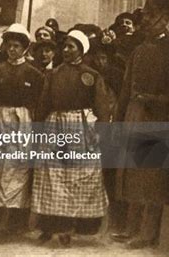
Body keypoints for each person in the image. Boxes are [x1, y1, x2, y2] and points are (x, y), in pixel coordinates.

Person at [32, 29, 109, 247]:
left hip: (81, 128)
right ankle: (54, 226)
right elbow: (43, 103)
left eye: (71, 47)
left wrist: (101, 133)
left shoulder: (92, 76)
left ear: (81, 50)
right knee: (53, 176)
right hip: (55, 127)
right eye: (64, 46)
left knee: (79, 175)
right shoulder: (53, 74)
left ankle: (78, 226)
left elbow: (101, 107)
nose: (66, 50)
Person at [114, 0, 169, 249]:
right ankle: (131, 227)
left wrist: (153, 100)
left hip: (156, 118)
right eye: (146, 15)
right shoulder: (138, 50)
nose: (146, 21)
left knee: (150, 177)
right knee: (131, 173)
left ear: (164, 18)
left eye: (152, 16)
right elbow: (126, 88)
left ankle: (147, 233)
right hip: (133, 115)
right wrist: (119, 119)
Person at [0, 23, 44, 241]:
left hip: (22, 122)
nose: (12, 50)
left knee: (18, 169)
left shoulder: (34, 74)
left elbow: (39, 102)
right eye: (9, 45)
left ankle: (16, 224)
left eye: (16, 46)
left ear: (25, 48)